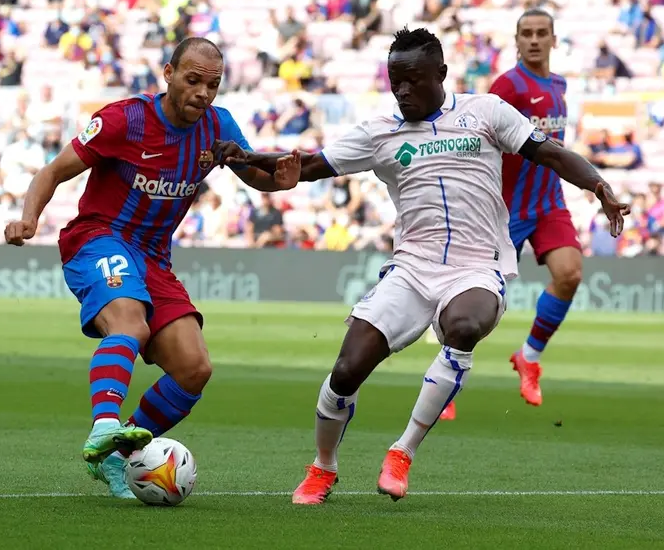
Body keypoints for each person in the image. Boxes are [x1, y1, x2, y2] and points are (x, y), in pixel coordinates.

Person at [217, 27, 628, 503]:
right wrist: (246, 160)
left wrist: (599, 188)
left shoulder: (485, 112)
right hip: (411, 269)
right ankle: (323, 467)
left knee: (465, 325)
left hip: (477, 267)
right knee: (347, 370)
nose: (403, 91)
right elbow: (304, 166)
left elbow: (551, 153)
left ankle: (402, 451)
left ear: (441, 74)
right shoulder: (379, 133)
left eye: (413, 80)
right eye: (396, 81)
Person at [4, 36, 300, 499]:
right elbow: (54, 171)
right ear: (168, 73)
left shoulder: (218, 129)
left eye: (213, 84)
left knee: (194, 368)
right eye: (193, 80)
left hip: (154, 257)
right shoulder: (124, 119)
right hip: (99, 238)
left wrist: (278, 182)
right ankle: (105, 423)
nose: (203, 93)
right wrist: (29, 217)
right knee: (129, 320)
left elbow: (256, 174)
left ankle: (116, 459)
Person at [440, 9, 579, 421]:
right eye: (526, 34)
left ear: (554, 39)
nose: (534, 40)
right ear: (516, 41)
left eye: (541, 33)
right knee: (477, 301)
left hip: (549, 201)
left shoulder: (559, 84)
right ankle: (444, 382)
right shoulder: (508, 86)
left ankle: (529, 357)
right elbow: (481, 133)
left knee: (569, 273)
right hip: (506, 207)